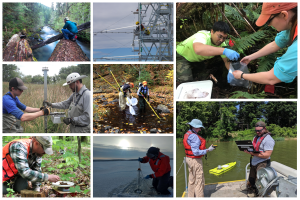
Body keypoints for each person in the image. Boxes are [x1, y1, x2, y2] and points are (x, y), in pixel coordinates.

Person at [233, 3, 297, 85]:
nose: (269, 25)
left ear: (284, 15)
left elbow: (271, 78)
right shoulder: (292, 25)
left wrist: (242, 75)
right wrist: (251, 57)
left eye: (269, 21)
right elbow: (275, 44)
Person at [183, 119, 215, 197]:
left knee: (191, 180)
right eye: (199, 127)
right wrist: (208, 150)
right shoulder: (194, 136)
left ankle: (191, 196)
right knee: (199, 181)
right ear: (193, 127)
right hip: (195, 161)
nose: (200, 129)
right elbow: (196, 152)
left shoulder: (187, 133)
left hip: (189, 159)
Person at [244, 121, 275, 195]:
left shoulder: (268, 140)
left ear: (265, 129)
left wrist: (252, 153)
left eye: (259, 130)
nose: (257, 132)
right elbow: (253, 148)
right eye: (256, 130)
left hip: (263, 162)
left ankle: (260, 195)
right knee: (251, 179)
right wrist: (247, 150)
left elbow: (267, 155)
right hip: (254, 161)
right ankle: (253, 191)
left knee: (260, 181)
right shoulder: (256, 137)